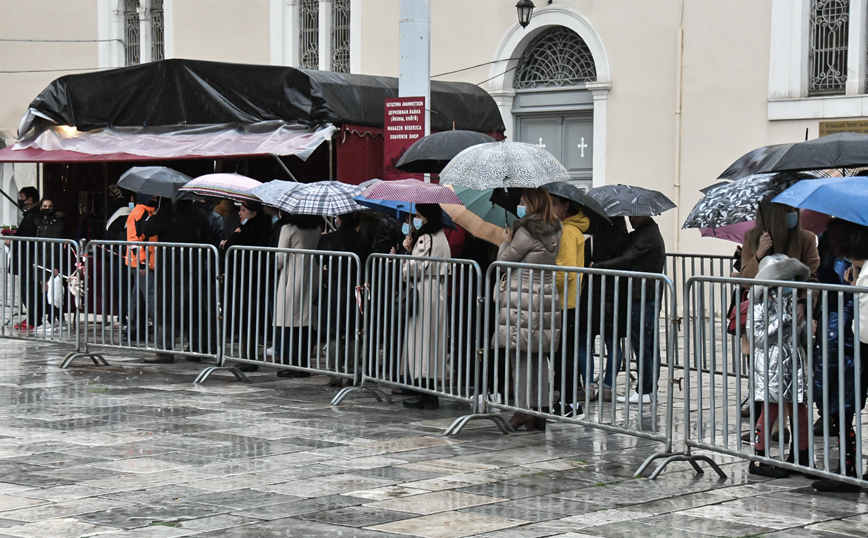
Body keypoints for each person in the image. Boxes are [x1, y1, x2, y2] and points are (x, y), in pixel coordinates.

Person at [740, 200, 820, 448]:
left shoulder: (805, 238)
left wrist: (803, 304)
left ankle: (800, 451)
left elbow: (813, 276)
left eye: (793, 210)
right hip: (766, 320)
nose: (792, 215)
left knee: (797, 392)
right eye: (786, 211)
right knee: (767, 387)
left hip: (794, 327)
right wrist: (759, 253)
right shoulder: (753, 237)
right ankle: (766, 439)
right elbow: (746, 279)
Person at [495, 188, 562, 430]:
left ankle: (523, 408)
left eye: (523, 201)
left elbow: (503, 261)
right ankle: (541, 410)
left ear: (532, 204)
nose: (520, 205)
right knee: (539, 355)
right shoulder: (556, 228)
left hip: (522, 299)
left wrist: (504, 240)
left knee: (520, 353)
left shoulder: (525, 232)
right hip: (544, 298)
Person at [812, 219, 868, 492]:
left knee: (844, 399)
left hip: (849, 333)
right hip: (842, 330)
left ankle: (848, 468)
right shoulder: (841, 248)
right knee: (839, 401)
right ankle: (846, 467)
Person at [746, 254, 812, 478]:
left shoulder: (793, 299)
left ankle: (801, 455)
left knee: (799, 408)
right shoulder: (759, 302)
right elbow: (756, 336)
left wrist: (805, 324)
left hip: (794, 361)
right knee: (770, 408)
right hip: (770, 363)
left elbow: (799, 334)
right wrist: (784, 319)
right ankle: (759, 456)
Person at [593, 214, 666, 404]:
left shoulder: (647, 236)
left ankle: (645, 390)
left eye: (635, 215)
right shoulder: (646, 232)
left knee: (643, 344)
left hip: (642, 295)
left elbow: (627, 258)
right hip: (646, 294)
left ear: (646, 214)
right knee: (648, 344)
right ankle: (649, 389)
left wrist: (598, 266)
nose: (631, 219)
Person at [136, 199, 213, 363]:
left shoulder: (167, 213)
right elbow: (207, 236)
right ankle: (196, 348)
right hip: (193, 267)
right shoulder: (200, 214)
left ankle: (165, 349)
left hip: (170, 268)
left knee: (166, 309)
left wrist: (155, 216)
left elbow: (147, 229)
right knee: (194, 309)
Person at [401, 203, 451, 410]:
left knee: (420, 340)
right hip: (437, 291)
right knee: (433, 341)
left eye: (420, 215)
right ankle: (429, 391)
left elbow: (411, 270)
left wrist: (407, 252)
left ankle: (424, 392)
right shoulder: (441, 236)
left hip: (423, 290)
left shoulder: (425, 238)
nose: (416, 219)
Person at [577, 215, 630, 404]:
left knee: (584, 342)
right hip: (616, 300)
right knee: (614, 344)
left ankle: (588, 386)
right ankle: (608, 388)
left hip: (590, 298)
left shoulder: (590, 243)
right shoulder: (627, 243)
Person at [221, 200, 273, 371]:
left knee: (247, 317)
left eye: (243, 210)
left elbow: (230, 244)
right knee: (249, 317)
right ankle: (247, 355)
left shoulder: (249, 229)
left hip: (249, 278)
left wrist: (234, 236)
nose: (239, 213)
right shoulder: (263, 227)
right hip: (252, 277)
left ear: (253, 213)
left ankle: (249, 357)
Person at [550, 193, 590, 416]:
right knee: (564, 355)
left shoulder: (566, 232)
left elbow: (566, 272)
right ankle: (568, 402)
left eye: (554, 204)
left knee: (563, 356)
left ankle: (569, 404)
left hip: (564, 302)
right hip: (567, 301)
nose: (551, 208)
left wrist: (547, 287)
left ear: (566, 206)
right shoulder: (568, 229)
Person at [273, 214, 322, 378]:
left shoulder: (288, 229)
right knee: (307, 322)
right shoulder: (317, 230)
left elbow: (280, 259)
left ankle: (293, 363)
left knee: (290, 321)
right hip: (312, 277)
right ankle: (304, 362)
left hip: (292, 278)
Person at [125, 194, 159, 342]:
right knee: (150, 295)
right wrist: (143, 262)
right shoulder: (140, 213)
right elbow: (134, 240)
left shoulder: (146, 212)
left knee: (138, 297)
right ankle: (159, 330)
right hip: (143, 262)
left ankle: (134, 330)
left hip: (142, 261)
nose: (155, 197)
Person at [8, 187, 41, 332]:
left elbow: (26, 236)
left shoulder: (32, 215)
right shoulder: (30, 215)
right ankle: (33, 317)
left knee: (29, 290)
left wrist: (12, 241)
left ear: (29, 199)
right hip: (27, 259)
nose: (19, 199)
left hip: (28, 259)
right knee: (27, 289)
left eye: (21, 196)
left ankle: (34, 319)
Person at [33, 198, 67, 331]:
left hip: (52, 262)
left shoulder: (58, 223)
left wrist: (56, 265)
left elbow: (57, 246)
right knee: (48, 291)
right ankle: (56, 319)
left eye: (49, 206)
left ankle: (52, 319)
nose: (47, 208)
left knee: (53, 292)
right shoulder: (40, 222)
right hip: (42, 261)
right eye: (44, 206)